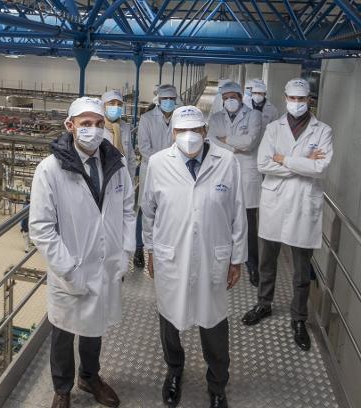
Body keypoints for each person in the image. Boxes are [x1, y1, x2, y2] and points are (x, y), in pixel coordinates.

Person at [29, 96, 136, 408]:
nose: (93, 130)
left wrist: (125, 250)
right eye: (86, 124)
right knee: (63, 331)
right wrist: (69, 269)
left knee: (95, 326)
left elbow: (128, 210)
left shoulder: (117, 164)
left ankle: (89, 377)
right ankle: (62, 389)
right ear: (70, 126)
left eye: (99, 124)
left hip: (105, 265)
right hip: (70, 266)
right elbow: (41, 227)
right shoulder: (50, 170)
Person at [141, 105, 247, 408]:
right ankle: (174, 371)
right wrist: (149, 250)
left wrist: (236, 259)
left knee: (213, 325)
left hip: (213, 255)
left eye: (195, 131)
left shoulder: (226, 162)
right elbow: (148, 212)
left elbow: (238, 212)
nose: (189, 137)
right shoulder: (159, 163)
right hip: (170, 255)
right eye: (181, 131)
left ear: (205, 131)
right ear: (173, 133)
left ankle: (217, 385)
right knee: (170, 321)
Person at [242, 78, 333, 351]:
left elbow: (321, 168)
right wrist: (302, 164)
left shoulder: (323, 131)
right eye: (292, 99)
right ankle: (264, 303)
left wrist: (283, 159)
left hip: (304, 205)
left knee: (301, 270)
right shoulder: (273, 128)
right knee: (267, 260)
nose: (296, 104)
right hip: (275, 201)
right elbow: (262, 163)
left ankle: (298, 319)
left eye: (301, 99)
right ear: (285, 98)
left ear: (310, 100)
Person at [208, 81, 263, 287]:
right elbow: (213, 142)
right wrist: (235, 144)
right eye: (226, 97)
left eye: (233, 97)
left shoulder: (254, 115)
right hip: (222, 172)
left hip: (246, 176)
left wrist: (226, 140)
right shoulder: (215, 117)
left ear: (241, 97)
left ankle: (252, 266)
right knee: (221, 218)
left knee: (248, 222)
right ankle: (222, 260)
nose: (229, 101)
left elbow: (250, 142)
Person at [134, 84, 178, 267]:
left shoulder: (179, 117)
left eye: (171, 99)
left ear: (175, 100)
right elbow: (143, 147)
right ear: (158, 101)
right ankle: (138, 248)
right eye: (164, 99)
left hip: (175, 170)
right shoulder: (146, 119)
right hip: (151, 169)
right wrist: (164, 161)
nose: (168, 102)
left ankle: (165, 248)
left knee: (170, 209)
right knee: (145, 209)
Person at [101, 90, 138, 183]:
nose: (116, 107)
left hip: (122, 178)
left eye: (119, 104)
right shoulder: (97, 126)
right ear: (103, 106)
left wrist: (129, 181)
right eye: (111, 103)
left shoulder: (124, 127)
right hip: (103, 178)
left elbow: (130, 157)